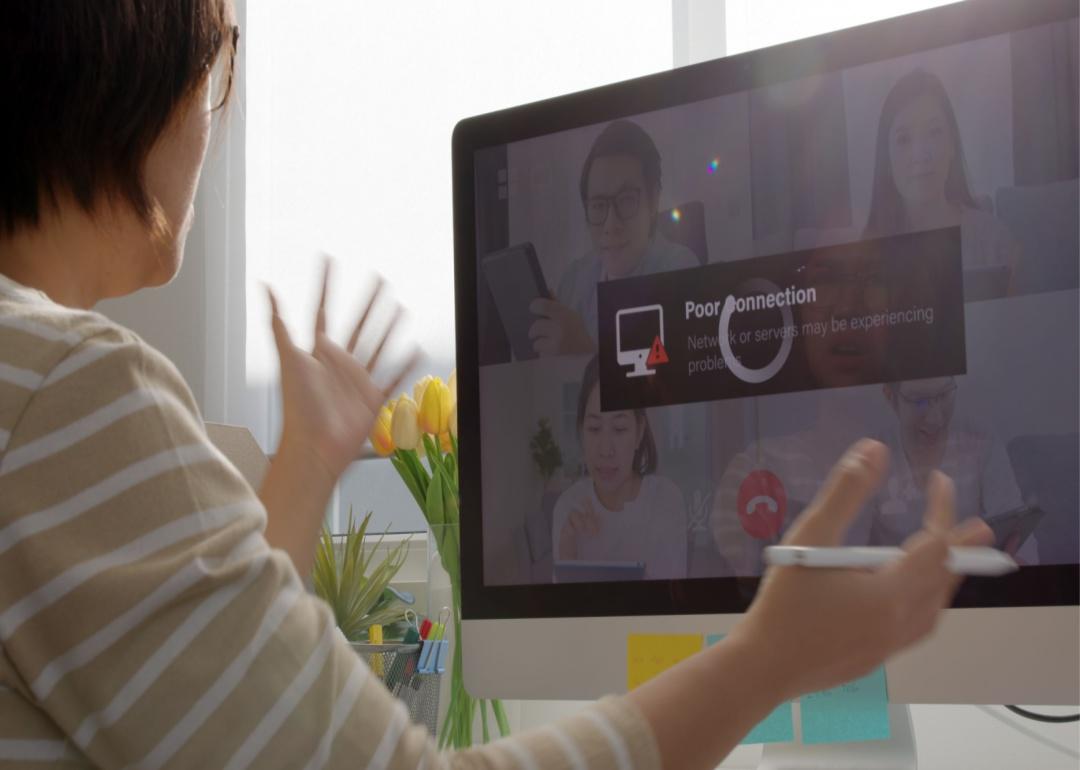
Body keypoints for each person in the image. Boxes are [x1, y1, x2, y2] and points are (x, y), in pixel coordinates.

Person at [0, 4, 991, 768]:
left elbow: (206, 716)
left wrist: (302, 473)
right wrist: (770, 655)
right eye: (217, 82)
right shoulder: (72, 387)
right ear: (139, 79)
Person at [528, 120, 698, 356]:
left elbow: (667, 386)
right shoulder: (574, 278)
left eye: (627, 200)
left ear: (654, 201)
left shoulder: (681, 271)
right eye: (598, 206)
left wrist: (583, 354)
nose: (610, 225)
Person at [863, 69, 1021, 281]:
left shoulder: (993, 240)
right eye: (904, 140)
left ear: (952, 145)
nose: (921, 154)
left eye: (934, 132)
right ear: (887, 161)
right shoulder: (866, 252)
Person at [870, 377, 1038, 562]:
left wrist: (1022, 562)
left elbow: (1013, 519)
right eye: (919, 401)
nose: (936, 418)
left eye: (944, 395)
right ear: (889, 396)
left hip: (973, 583)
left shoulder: (981, 440)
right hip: (896, 587)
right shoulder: (872, 456)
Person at [553, 357, 687, 579]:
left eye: (619, 428)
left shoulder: (666, 499)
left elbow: (673, 604)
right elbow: (562, 610)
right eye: (594, 428)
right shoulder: (567, 507)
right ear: (581, 431)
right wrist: (568, 551)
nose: (605, 450)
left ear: (639, 431)